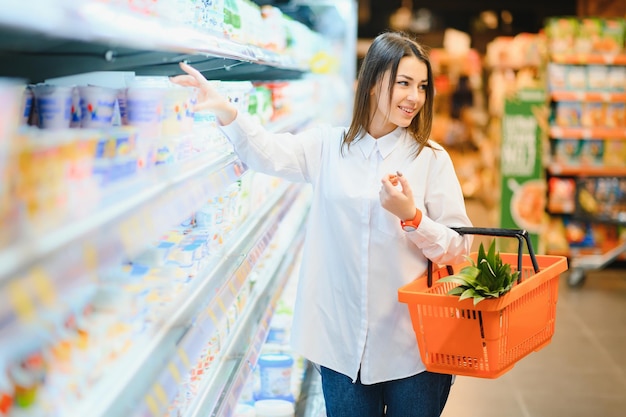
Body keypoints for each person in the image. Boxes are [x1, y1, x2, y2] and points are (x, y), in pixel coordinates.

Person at [171, 30, 473, 417]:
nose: (414, 97)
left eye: (421, 86)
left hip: (412, 347)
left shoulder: (431, 159)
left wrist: (412, 217)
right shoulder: (329, 148)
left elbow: (459, 246)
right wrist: (226, 111)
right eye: (403, 83)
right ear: (372, 83)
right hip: (340, 345)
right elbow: (267, 153)